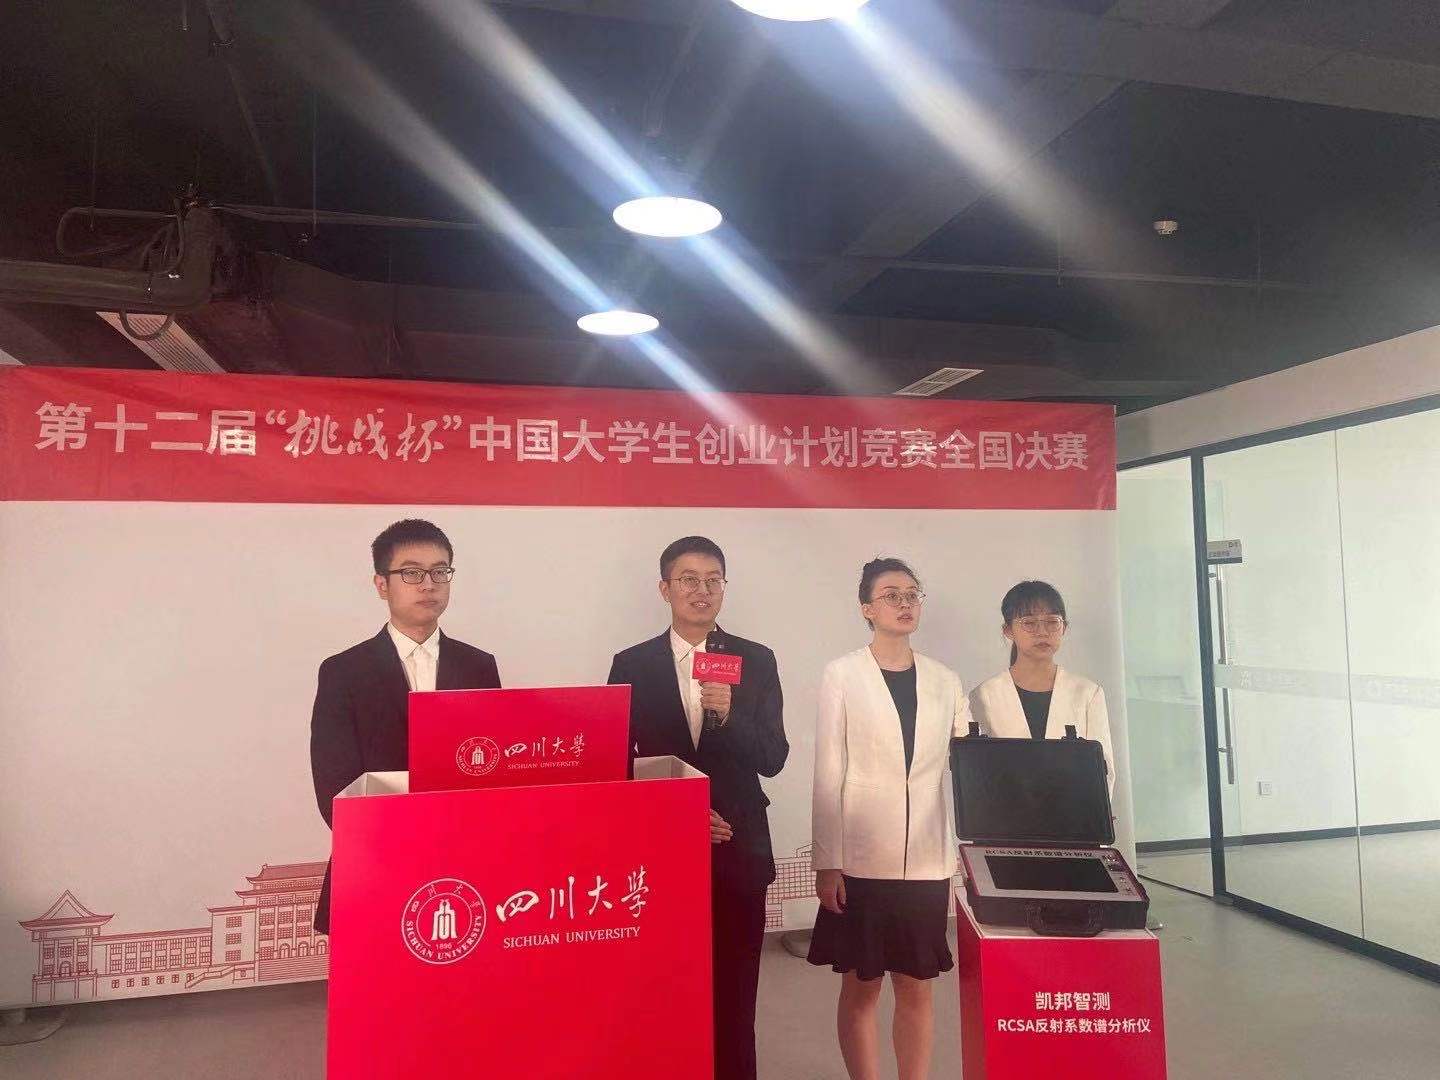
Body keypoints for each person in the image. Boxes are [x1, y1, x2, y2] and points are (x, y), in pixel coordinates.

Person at [607, 536, 788, 1080]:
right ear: (665, 589)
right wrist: (676, 813)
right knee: (665, 990)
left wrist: (731, 716)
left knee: (735, 994)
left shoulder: (755, 659)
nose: (701, 590)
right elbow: (615, 765)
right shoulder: (632, 663)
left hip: (738, 848)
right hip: (661, 854)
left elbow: (774, 757)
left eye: (713, 580)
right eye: (688, 579)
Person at [809, 557, 970, 1080]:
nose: (904, 603)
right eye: (891, 595)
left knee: (917, 984)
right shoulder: (842, 674)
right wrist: (828, 861)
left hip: (926, 857)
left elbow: (968, 760)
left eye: (912, 594)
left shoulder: (946, 680)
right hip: (860, 857)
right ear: (866, 608)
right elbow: (828, 770)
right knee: (862, 986)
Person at [309, 518, 500, 934]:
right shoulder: (344, 672)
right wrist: (397, 842)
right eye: (411, 573)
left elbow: (489, 768)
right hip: (374, 861)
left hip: (461, 863)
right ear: (382, 585)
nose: (428, 584)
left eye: (440, 572)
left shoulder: (479, 666)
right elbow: (334, 785)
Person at [968, 580, 1114, 792]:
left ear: (1064, 627)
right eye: (1029, 623)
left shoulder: (1088, 694)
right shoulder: (984, 696)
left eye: (1052, 622)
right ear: (1008, 630)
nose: (1042, 632)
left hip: (1075, 811)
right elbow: (978, 775)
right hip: (1005, 811)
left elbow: (1104, 772)